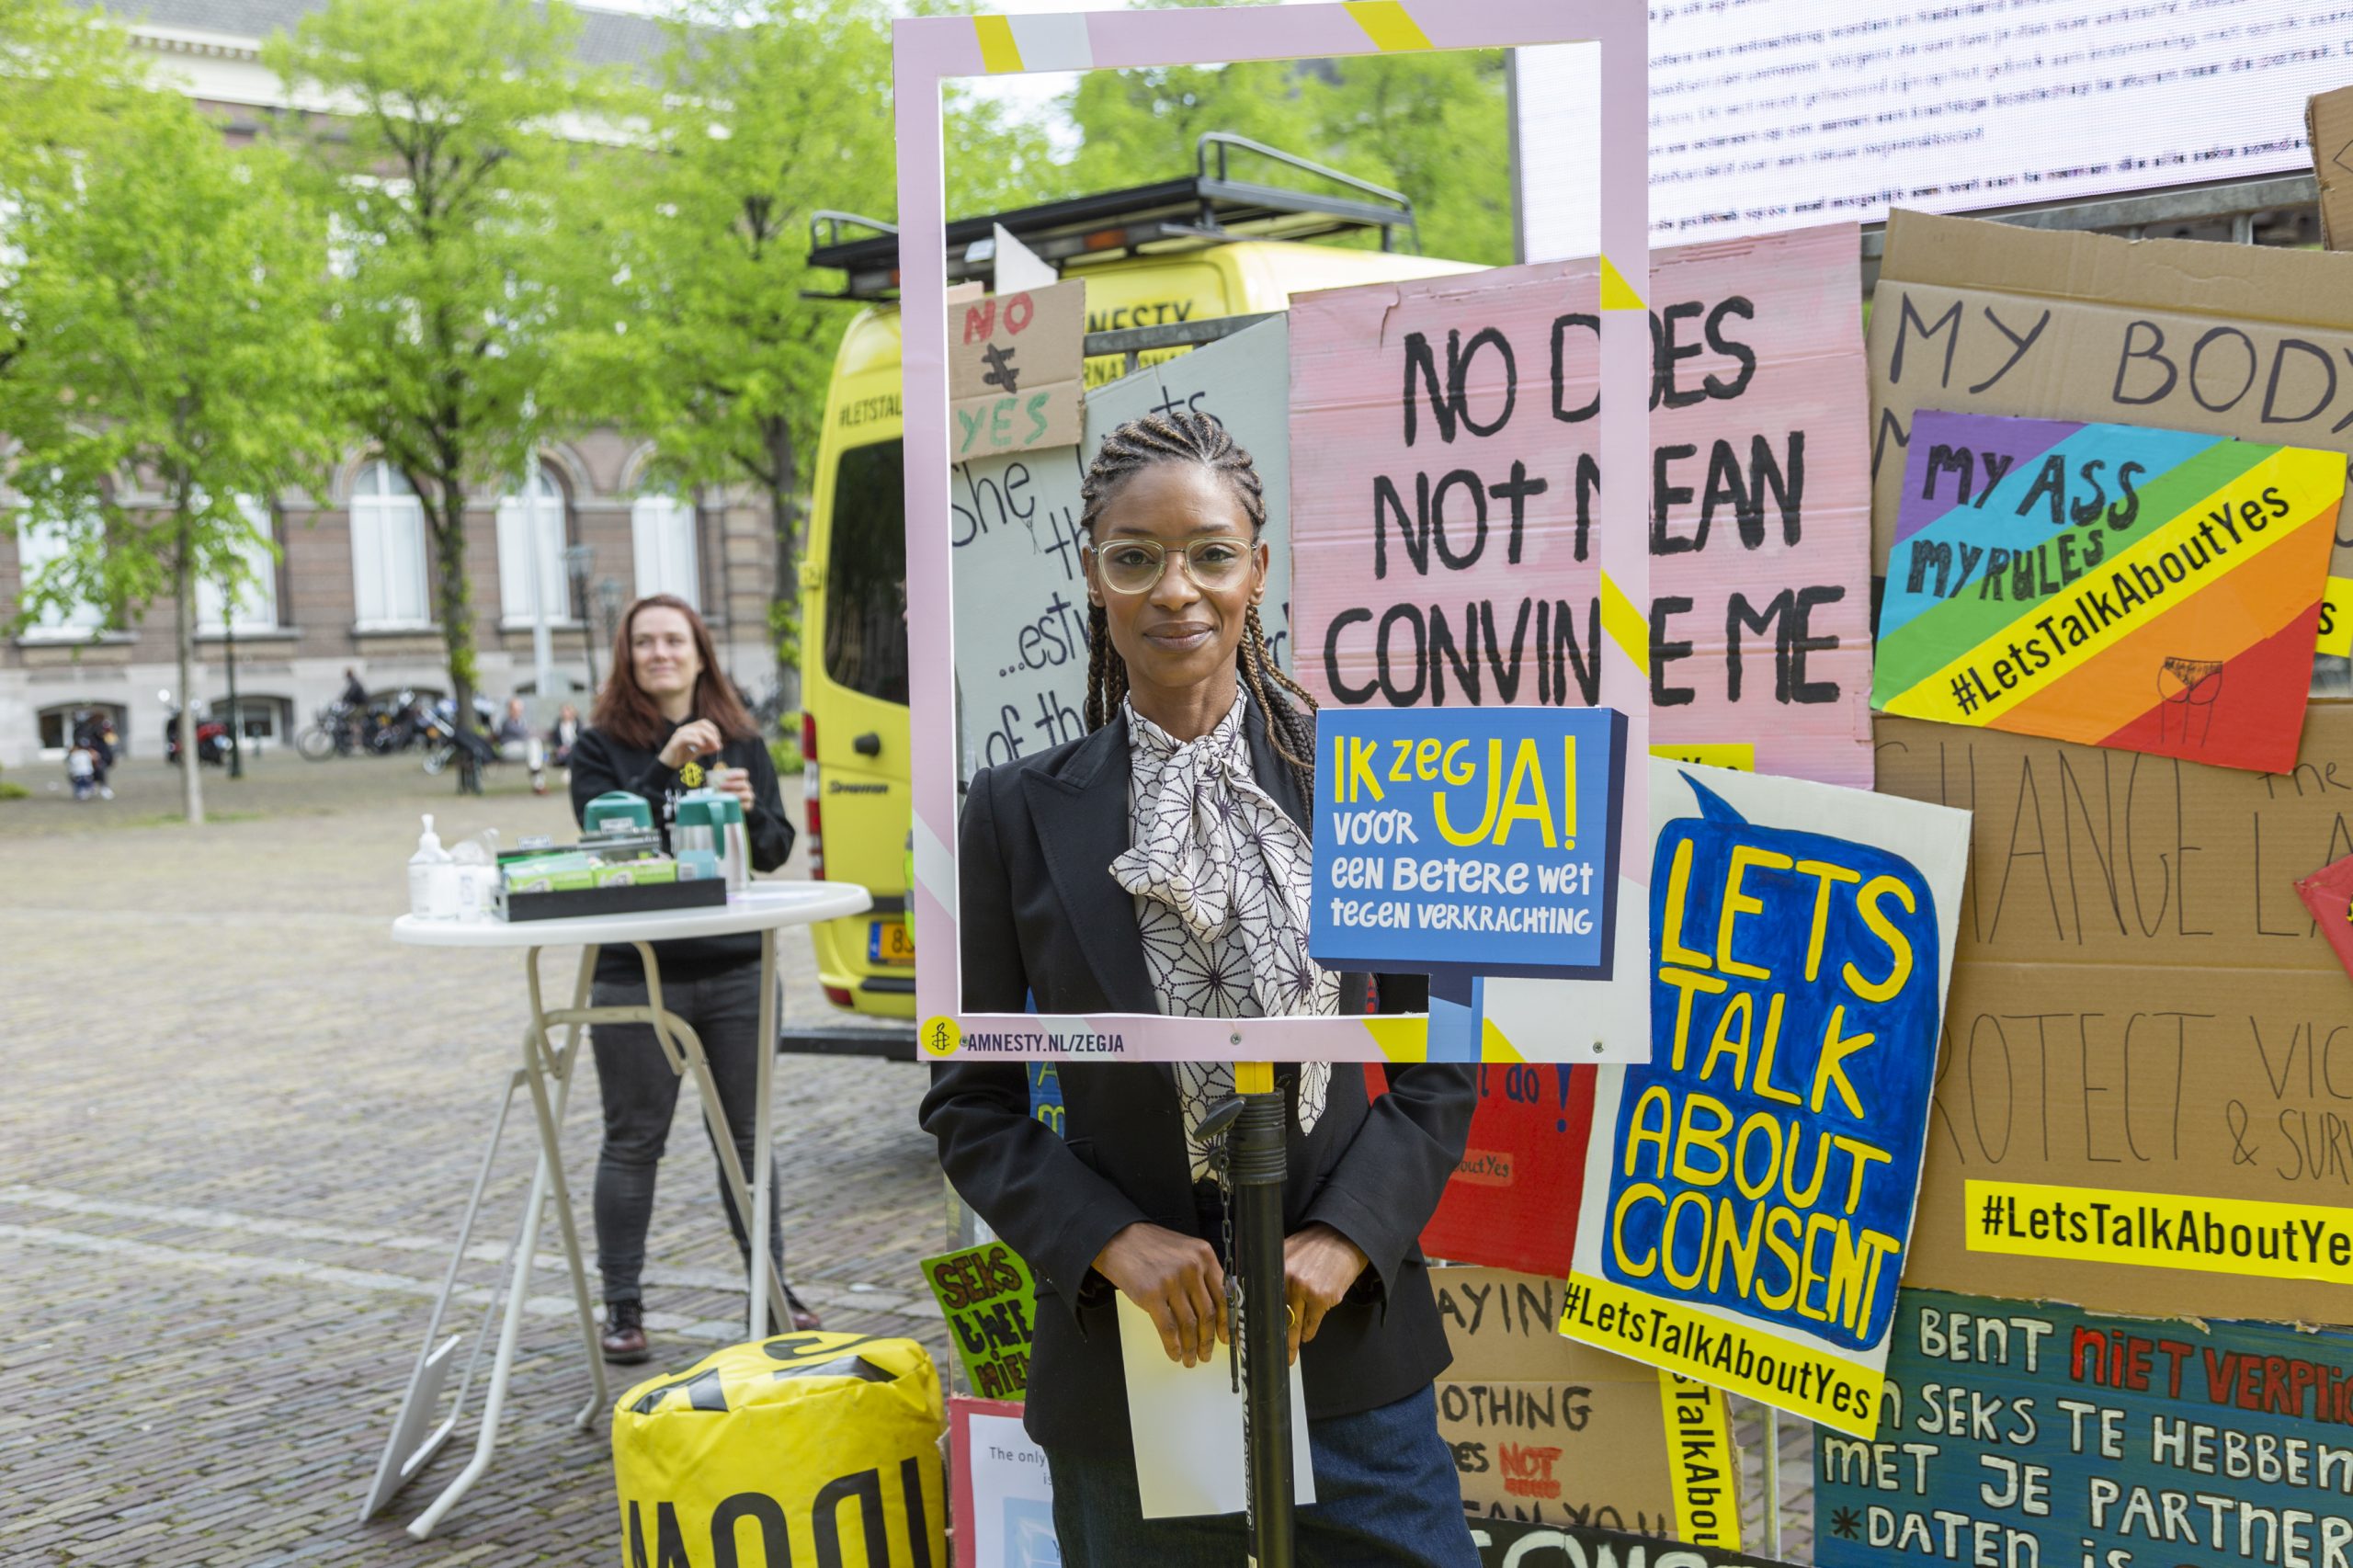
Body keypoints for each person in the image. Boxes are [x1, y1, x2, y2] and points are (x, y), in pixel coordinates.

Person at [921, 412, 1479, 1566]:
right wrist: (1109, 1237)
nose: (1177, 589)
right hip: (1131, 1361)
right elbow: (968, 1104)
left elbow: (1443, 1060)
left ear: (1256, 570)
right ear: (1094, 575)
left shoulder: (1377, 782)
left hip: (1346, 1352)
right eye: (1137, 557)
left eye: (1210, 554)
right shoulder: (1012, 814)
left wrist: (1343, 1238)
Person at [568, 594, 820, 1361]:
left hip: (739, 968)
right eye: (644, 643)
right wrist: (667, 764)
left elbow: (775, 848)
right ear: (628, 658)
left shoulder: (742, 742)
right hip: (636, 972)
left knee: (747, 1142)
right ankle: (623, 1307)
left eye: (674, 640)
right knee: (634, 1140)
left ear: (700, 652)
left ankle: (770, 1286)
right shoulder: (600, 745)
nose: (660, 653)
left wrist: (746, 811)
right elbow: (608, 845)